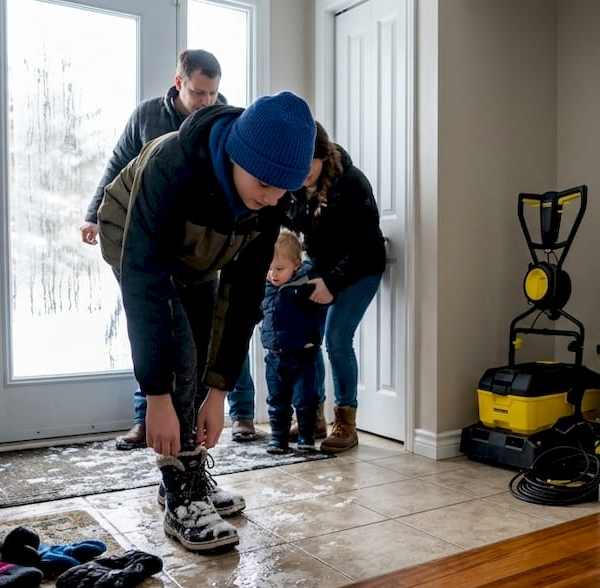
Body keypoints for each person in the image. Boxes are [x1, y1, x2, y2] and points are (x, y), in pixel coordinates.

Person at [95, 91, 316, 552]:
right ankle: (180, 495)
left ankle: (191, 473)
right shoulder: (172, 164)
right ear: (239, 154)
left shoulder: (268, 194)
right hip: (135, 242)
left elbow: (243, 297)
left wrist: (218, 391)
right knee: (180, 355)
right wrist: (156, 395)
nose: (272, 198)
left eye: (283, 190)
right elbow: (145, 285)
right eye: (264, 184)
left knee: (199, 354)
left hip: (197, 255)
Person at [80, 49, 228, 452]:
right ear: (179, 83)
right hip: (149, 243)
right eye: (199, 92)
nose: (206, 101)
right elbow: (117, 166)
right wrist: (94, 214)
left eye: (213, 93)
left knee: (194, 349)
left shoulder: (222, 120)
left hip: (196, 252)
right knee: (156, 330)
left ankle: (188, 446)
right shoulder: (147, 116)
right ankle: (147, 420)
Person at [226, 123, 384, 453]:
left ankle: (346, 423)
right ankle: (315, 418)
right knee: (309, 339)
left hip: (360, 268)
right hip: (323, 268)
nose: (304, 172)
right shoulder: (291, 186)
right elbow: (269, 231)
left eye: (311, 163)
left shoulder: (351, 183)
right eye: (300, 164)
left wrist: (332, 283)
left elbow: (367, 245)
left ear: (324, 157)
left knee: (337, 339)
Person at [258, 229, 329, 454]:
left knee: (305, 399)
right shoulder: (266, 289)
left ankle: (306, 436)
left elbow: (322, 308)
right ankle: (278, 437)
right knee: (277, 400)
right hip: (275, 357)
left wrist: (313, 338)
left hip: (303, 356)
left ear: (296, 265)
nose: (273, 274)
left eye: (279, 269)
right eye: (269, 268)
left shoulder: (307, 285)